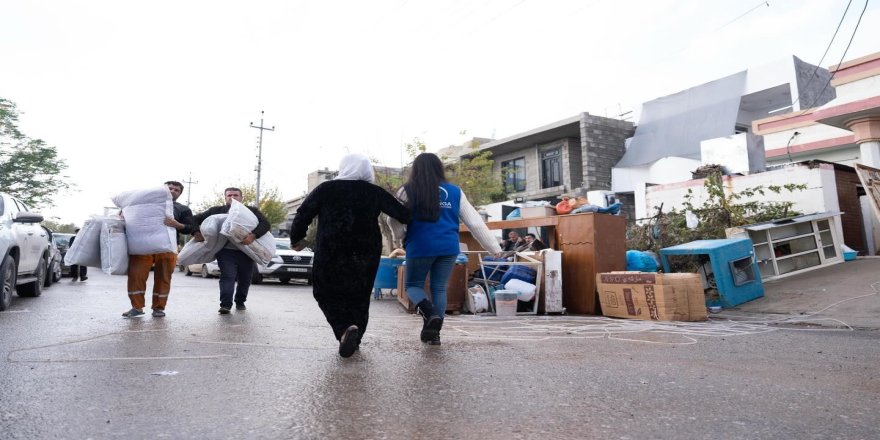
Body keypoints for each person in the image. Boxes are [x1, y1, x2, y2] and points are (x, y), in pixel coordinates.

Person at [289, 154, 411, 358]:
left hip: (331, 249)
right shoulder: (374, 192)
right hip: (366, 251)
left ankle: (345, 329)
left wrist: (297, 238)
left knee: (324, 291)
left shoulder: (326, 189)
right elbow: (403, 214)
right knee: (360, 296)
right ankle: (355, 337)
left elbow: (303, 213)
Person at [388, 152, 502, 346]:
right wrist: (494, 248)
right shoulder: (455, 192)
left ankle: (430, 313)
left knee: (413, 286)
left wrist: (398, 236)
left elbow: (393, 217)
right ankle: (434, 334)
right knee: (439, 288)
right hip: (449, 247)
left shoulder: (406, 190)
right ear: (439, 168)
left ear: (415, 170)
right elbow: (475, 223)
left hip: (420, 245)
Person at [192, 187, 271, 315]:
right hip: (225, 252)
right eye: (229, 195)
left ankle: (240, 301)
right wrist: (196, 232)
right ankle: (225, 305)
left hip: (246, 252)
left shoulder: (251, 211)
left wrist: (254, 235)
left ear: (241, 197)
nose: (232, 197)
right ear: (225, 197)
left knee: (245, 279)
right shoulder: (216, 211)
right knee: (228, 276)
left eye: (236, 195)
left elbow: (265, 224)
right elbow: (194, 219)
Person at [122, 181, 195, 318]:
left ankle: (159, 308)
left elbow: (190, 228)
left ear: (179, 194)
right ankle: (136, 307)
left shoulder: (182, 209)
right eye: (170, 188)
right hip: (141, 248)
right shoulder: (143, 205)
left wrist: (176, 224)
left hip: (167, 248)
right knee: (136, 277)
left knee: (163, 278)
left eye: (176, 190)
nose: (172, 190)